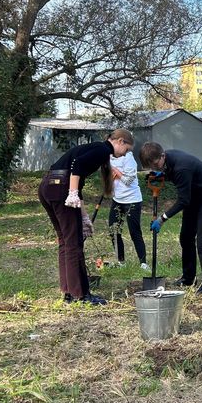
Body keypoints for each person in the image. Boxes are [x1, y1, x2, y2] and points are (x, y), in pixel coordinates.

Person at [38, 129, 135, 305]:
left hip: (48, 185)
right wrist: (72, 192)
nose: (124, 154)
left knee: (65, 241)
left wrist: (83, 217)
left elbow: (77, 181)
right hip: (62, 187)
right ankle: (81, 295)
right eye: (126, 150)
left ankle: (68, 292)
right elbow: (78, 165)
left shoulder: (96, 149)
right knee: (74, 242)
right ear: (120, 141)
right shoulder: (103, 149)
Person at [139, 142, 202, 293]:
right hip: (193, 195)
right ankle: (188, 278)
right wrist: (161, 175)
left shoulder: (181, 167)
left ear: (162, 155)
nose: (156, 168)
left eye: (156, 164)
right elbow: (172, 176)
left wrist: (162, 218)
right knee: (186, 237)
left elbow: (184, 200)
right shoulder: (166, 161)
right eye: (152, 167)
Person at [108, 148, 149, 270]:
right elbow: (109, 177)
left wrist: (116, 172)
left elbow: (128, 180)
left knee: (134, 232)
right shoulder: (108, 158)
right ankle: (121, 262)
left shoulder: (129, 159)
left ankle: (143, 263)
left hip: (132, 200)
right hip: (117, 199)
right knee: (113, 230)